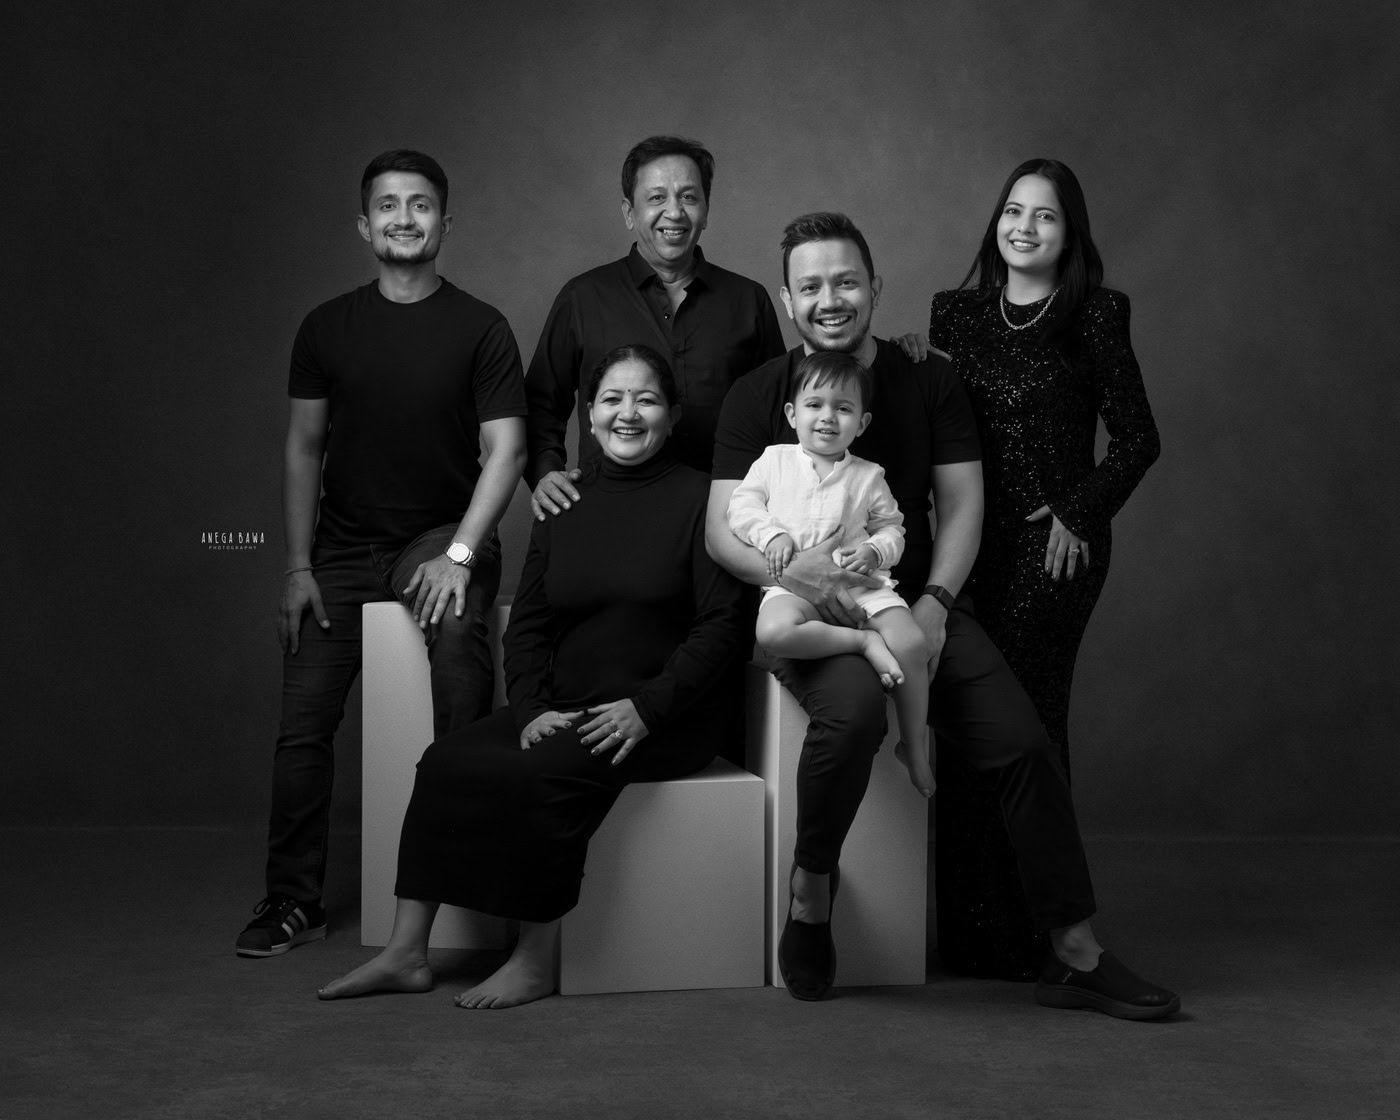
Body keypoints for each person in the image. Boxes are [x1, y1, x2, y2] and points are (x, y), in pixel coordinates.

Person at [706, 211, 1177, 1018]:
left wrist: (935, 603)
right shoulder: (761, 395)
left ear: (875, 287)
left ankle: (1073, 950)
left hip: (907, 602)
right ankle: (811, 891)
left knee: (1024, 743)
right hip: (810, 611)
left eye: (846, 281)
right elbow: (723, 531)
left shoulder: (927, 378)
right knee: (852, 719)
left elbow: (961, 507)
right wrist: (794, 569)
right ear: (787, 301)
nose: (830, 299)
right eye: (811, 286)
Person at [319, 345, 746, 1009]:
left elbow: (722, 627)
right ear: (589, 414)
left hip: (665, 716)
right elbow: (530, 628)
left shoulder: (703, 500)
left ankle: (535, 958)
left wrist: (647, 709)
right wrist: (530, 708)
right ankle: (407, 953)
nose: (628, 413)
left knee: (547, 769)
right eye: (612, 399)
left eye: (647, 400)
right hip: (566, 705)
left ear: (673, 414)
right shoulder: (562, 502)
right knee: (444, 760)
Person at [235, 150, 528, 958]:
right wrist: (298, 565)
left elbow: (506, 451)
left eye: (421, 204)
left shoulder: (481, 327)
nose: (405, 218)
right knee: (302, 725)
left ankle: (466, 875)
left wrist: (460, 554)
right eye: (389, 206)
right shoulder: (326, 326)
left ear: (445, 222)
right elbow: (304, 447)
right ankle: (292, 899)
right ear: (364, 225)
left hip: (441, 536)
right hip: (340, 546)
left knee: (460, 652)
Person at [925, 159, 1161, 980]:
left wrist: (1078, 508)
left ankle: (1042, 933)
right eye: (1014, 211)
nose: (1024, 227)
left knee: (1026, 723)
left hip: (1053, 552)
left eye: (1046, 216)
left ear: (1070, 233)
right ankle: (973, 937)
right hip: (966, 545)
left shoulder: (1095, 313)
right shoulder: (955, 314)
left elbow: (1138, 439)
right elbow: (938, 421)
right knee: (965, 725)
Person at [524, 135, 785, 518]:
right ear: (629, 213)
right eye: (657, 197)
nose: (674, 212)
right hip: (606, 514)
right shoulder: (583, 297)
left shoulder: (748, 300)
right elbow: (540, 404)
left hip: (724, 518)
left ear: (706, 210)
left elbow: (779, 414)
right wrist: (546, 472)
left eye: (689, 197)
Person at [727, 351, 933, 798]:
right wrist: (772, 535)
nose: (827, 417)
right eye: (814, 405)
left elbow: (893, 528)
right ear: (792, 414)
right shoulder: (774, 461)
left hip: (861, 586)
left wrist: (875, 551)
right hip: (795, 588)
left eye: (843, 408)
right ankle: (862, 642)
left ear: (861, 423)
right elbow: (740, 507)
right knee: (773, 631)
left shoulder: (868, 476)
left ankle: (913, 744)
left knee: (913, 643)